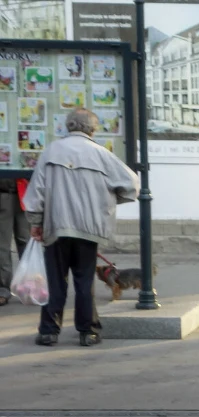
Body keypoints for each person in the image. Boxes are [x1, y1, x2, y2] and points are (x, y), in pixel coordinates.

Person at [24, 108, 139, 347]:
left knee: (55, 281)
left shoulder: (52, 151)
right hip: (88, 228)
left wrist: (36, 223)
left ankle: (48, 331)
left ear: (68, 126)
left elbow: (37, 191)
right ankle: (89, 332)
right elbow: (131, 184)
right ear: (93, 129)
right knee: (84, 281)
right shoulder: (100, 154)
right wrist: (108, 199)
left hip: (56, 226)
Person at [0, 177, 31, 306]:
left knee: (26, 243)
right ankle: (3, 289)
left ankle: (30, 287)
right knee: (2, 245)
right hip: (3, 193)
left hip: (25, 192)